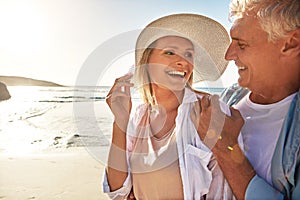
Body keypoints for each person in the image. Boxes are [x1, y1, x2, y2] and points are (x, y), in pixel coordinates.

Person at [102, 14, 235, 199]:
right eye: (170, 52)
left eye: (189, 54)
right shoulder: (139, 117)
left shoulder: (209, 112)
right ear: (147, 63)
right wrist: (120, 122)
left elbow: (224, 192)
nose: (183, 61)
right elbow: (117, 191)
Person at [195, 0, 300, 199]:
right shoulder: (228, 98)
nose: (228, 55)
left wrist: (225, 146)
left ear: (291, 43)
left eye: (241, 44)